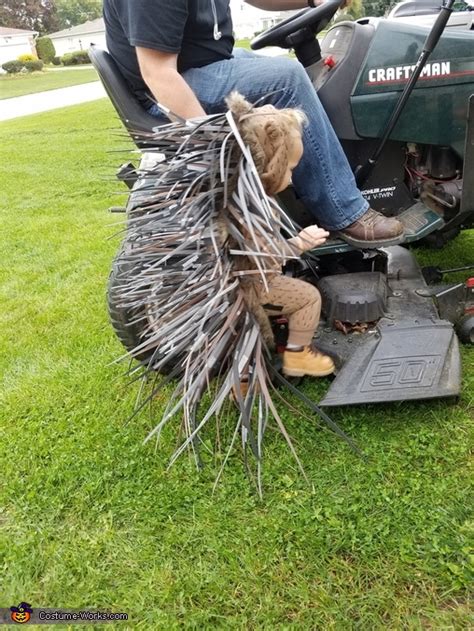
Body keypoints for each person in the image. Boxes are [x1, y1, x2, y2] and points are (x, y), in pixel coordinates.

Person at [102, 0, 405, 248]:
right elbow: (157, 72)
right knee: (287, 79)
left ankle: (317, 182)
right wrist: (212, 148)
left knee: (277, 68)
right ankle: (344, 211)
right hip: (166, 89)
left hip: (200, 63)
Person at [227, 92, 335, 378]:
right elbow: (265, 257)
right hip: (251, 289)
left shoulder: (239, 199)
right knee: (308, 297)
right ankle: (298, 356)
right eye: (288, 169)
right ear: (268, 168)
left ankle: (245, 377)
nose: (290, 178)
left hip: (238, 284)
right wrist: (300, 243)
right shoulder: (255, 211)